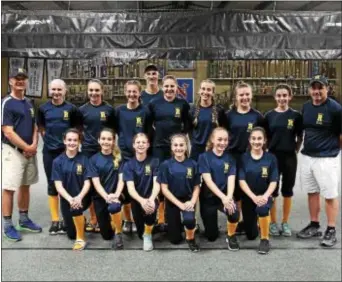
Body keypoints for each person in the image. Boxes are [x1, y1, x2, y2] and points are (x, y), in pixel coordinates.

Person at [297, 75, 342, 247]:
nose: (316, 92)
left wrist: (334, 152)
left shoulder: (335, 109)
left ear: (327, 89)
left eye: (320, 88)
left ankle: (331, 229)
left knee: (330, 194)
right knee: (312, 192)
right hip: (308, 157)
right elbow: (304, 131)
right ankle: (314, 224)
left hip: (326, 159)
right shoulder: (306, 107)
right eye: (313, 88)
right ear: (309, 90)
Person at [2, 68, 42, 241]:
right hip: (13, 151)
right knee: (10, 188)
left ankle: (24, 219)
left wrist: (34, 145)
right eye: (16, 78)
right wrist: (26, 147)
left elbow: (34, 126)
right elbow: (8, 132)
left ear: (26, 81)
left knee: (25, 185)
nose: (20, 81)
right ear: (10, 81)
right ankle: (7, 225)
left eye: (23, 78)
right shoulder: (7, 102)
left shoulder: (29, 102)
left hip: (29, 151)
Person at [37, 79, 81, 235]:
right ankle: (55, 220)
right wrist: (47, 139)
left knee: (68, 184)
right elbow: (41, 126)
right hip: (49, 152)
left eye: (59, 90)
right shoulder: (43, 108)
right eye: (53, 89)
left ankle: (68, 218)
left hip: (67, 152)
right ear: (50, 91)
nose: (56, 93)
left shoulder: (72, 109)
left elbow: (77, 128)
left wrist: (71, 146)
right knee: (52, 184)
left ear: (65, 91)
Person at [148, 75, 190, 232]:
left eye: (172, 86)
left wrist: (178, 139)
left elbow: (186, 125)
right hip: (159, 147)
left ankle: (179, 213)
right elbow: (148, 124)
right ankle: (161, 218)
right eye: (166, 86)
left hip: (176, 149)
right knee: (160, 180)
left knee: (176, 178)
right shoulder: (154, 104)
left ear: (176, 88)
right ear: (162, 87)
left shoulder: (182, 104)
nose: (169, 89)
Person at [225, 81, 264, 235]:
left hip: (251, 158)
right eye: (241, 95)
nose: (244, 97)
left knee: (251, 188)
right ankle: (238, 219)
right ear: (236, 97)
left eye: (247, 94)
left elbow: (263, 138)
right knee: (236, 192)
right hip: (233, 157)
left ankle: (254, 219)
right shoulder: (228, 116)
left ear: (251, 96)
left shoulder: (257, 116)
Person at [264, 84, 303, 237]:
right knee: (272, 190)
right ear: (275, 97)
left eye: (284, 95)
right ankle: (273, 222)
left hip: (289, 157)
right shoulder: (269, 116)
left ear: (290, 97)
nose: (282, 98)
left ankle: (285, 222)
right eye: (279, 95)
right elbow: (265, 137)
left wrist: (294, 150)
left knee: (288, 190)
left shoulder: (296, 116)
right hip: (272, 157)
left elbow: (300, 136)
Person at [115, 80, 152, 234]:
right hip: (124, 156)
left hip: (140, 156)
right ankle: (128, 220)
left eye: (134, 92)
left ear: (139, 93)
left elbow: (149, 131)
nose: (132, 94)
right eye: (129, 91)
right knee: (125, 188)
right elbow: (116, 130)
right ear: (125, 93)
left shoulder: (145, 111)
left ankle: (140, 219)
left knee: (140, 186)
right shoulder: (119, 111)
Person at [79, 79, 116, 232]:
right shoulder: (81, 110)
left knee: (108, 183)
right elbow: (78, 130)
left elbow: (114, 131)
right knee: (92, 186)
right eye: (91, 90)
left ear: (102, 91)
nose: (94, 93)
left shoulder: (109, 109)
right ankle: (94, 219)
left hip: (106, 151)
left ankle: (112, 217)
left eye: (96, 90)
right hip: (88, 151)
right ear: (87, 91)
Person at [198, 127, 240, 250]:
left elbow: (231, 180)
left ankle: (231, 235)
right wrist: (223, 197)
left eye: (225, 140)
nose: (223, 143)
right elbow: (208, 181)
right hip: (209, 198)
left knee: (234, 213)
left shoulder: (230, 158)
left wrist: (229, 198)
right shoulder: (204, 157)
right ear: (212, 140)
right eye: (219, 139)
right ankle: (211, 227)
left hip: (225, 197)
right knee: (211, 236)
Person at [157, 134, 201, 252]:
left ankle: (190, 237)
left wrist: (192, 201)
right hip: (172, 200)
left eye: (181, 145)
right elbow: (164, 189)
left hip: (188, 199)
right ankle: (174, 225)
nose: (178, 148)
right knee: (175, 240)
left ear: (186, 147)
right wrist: (179, 205)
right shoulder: (165, 165)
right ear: (171, 148)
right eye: (175, 145)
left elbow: (197, 187)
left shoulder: (193, 164)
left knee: (189, 220)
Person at [239, 127, 279, 254]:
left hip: (264, 196)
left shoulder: (271, 158)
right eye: (254, 138)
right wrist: (253, 197)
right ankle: (254, 224)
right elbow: (241, 180)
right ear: (250, 140)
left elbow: (273, 181)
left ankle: (265, 239)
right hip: (249, 197)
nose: (257, 141)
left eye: (259, 138)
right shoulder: (243, 158)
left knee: (262, 208)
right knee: (250, 235)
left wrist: (265, 196)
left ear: (264, 140)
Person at [51, 128, 91, 251]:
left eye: (75, 140)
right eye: (69, 140)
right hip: (67, 200)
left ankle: (81, 237)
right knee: (71, 235)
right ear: (64, 141)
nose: (72, 143)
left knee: (77, 207)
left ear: (79, 142)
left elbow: (87, 182)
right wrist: (70, 199)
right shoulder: (57, 161)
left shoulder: (84, 159)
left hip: (82, 197)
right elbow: (58, 186)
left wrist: (79, 197)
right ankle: (80, 220)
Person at [88, 128, 125, 250]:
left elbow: (121, 179)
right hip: (101, 197)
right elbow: (96, 183)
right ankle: (114, 221)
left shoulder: (118, 158)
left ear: (114, 141)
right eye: (103, 139)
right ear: (99, 140)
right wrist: (106, 197)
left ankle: (118, 232)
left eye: (109, 139)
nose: (106, 141)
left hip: (115, 195)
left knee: (114, 206)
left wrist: (116, 194)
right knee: (106, 236)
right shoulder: (93, 160)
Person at [124, 133, 160, 251]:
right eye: (138, 142)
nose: (141, 145)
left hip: (151, 198)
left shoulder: (154, 161)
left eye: (143, 142)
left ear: (148, 145)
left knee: (150, 209)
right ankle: (146, 230)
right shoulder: (129, 165)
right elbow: (130, 189)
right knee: (140, 234)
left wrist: (151, 199)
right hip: (137, 199)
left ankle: (148, 235)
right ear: (134, 145)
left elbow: (156, 183)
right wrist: (142, 201)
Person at [189, 79, 226, 162]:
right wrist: (194, 141)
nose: (205, 92)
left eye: (209, 90)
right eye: (203, 89)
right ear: (199, 91)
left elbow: (224, 129)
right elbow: (189, 129)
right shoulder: (192, 110)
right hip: (196, 151)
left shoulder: (219, 110)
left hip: (213, 149)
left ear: (213, 93)